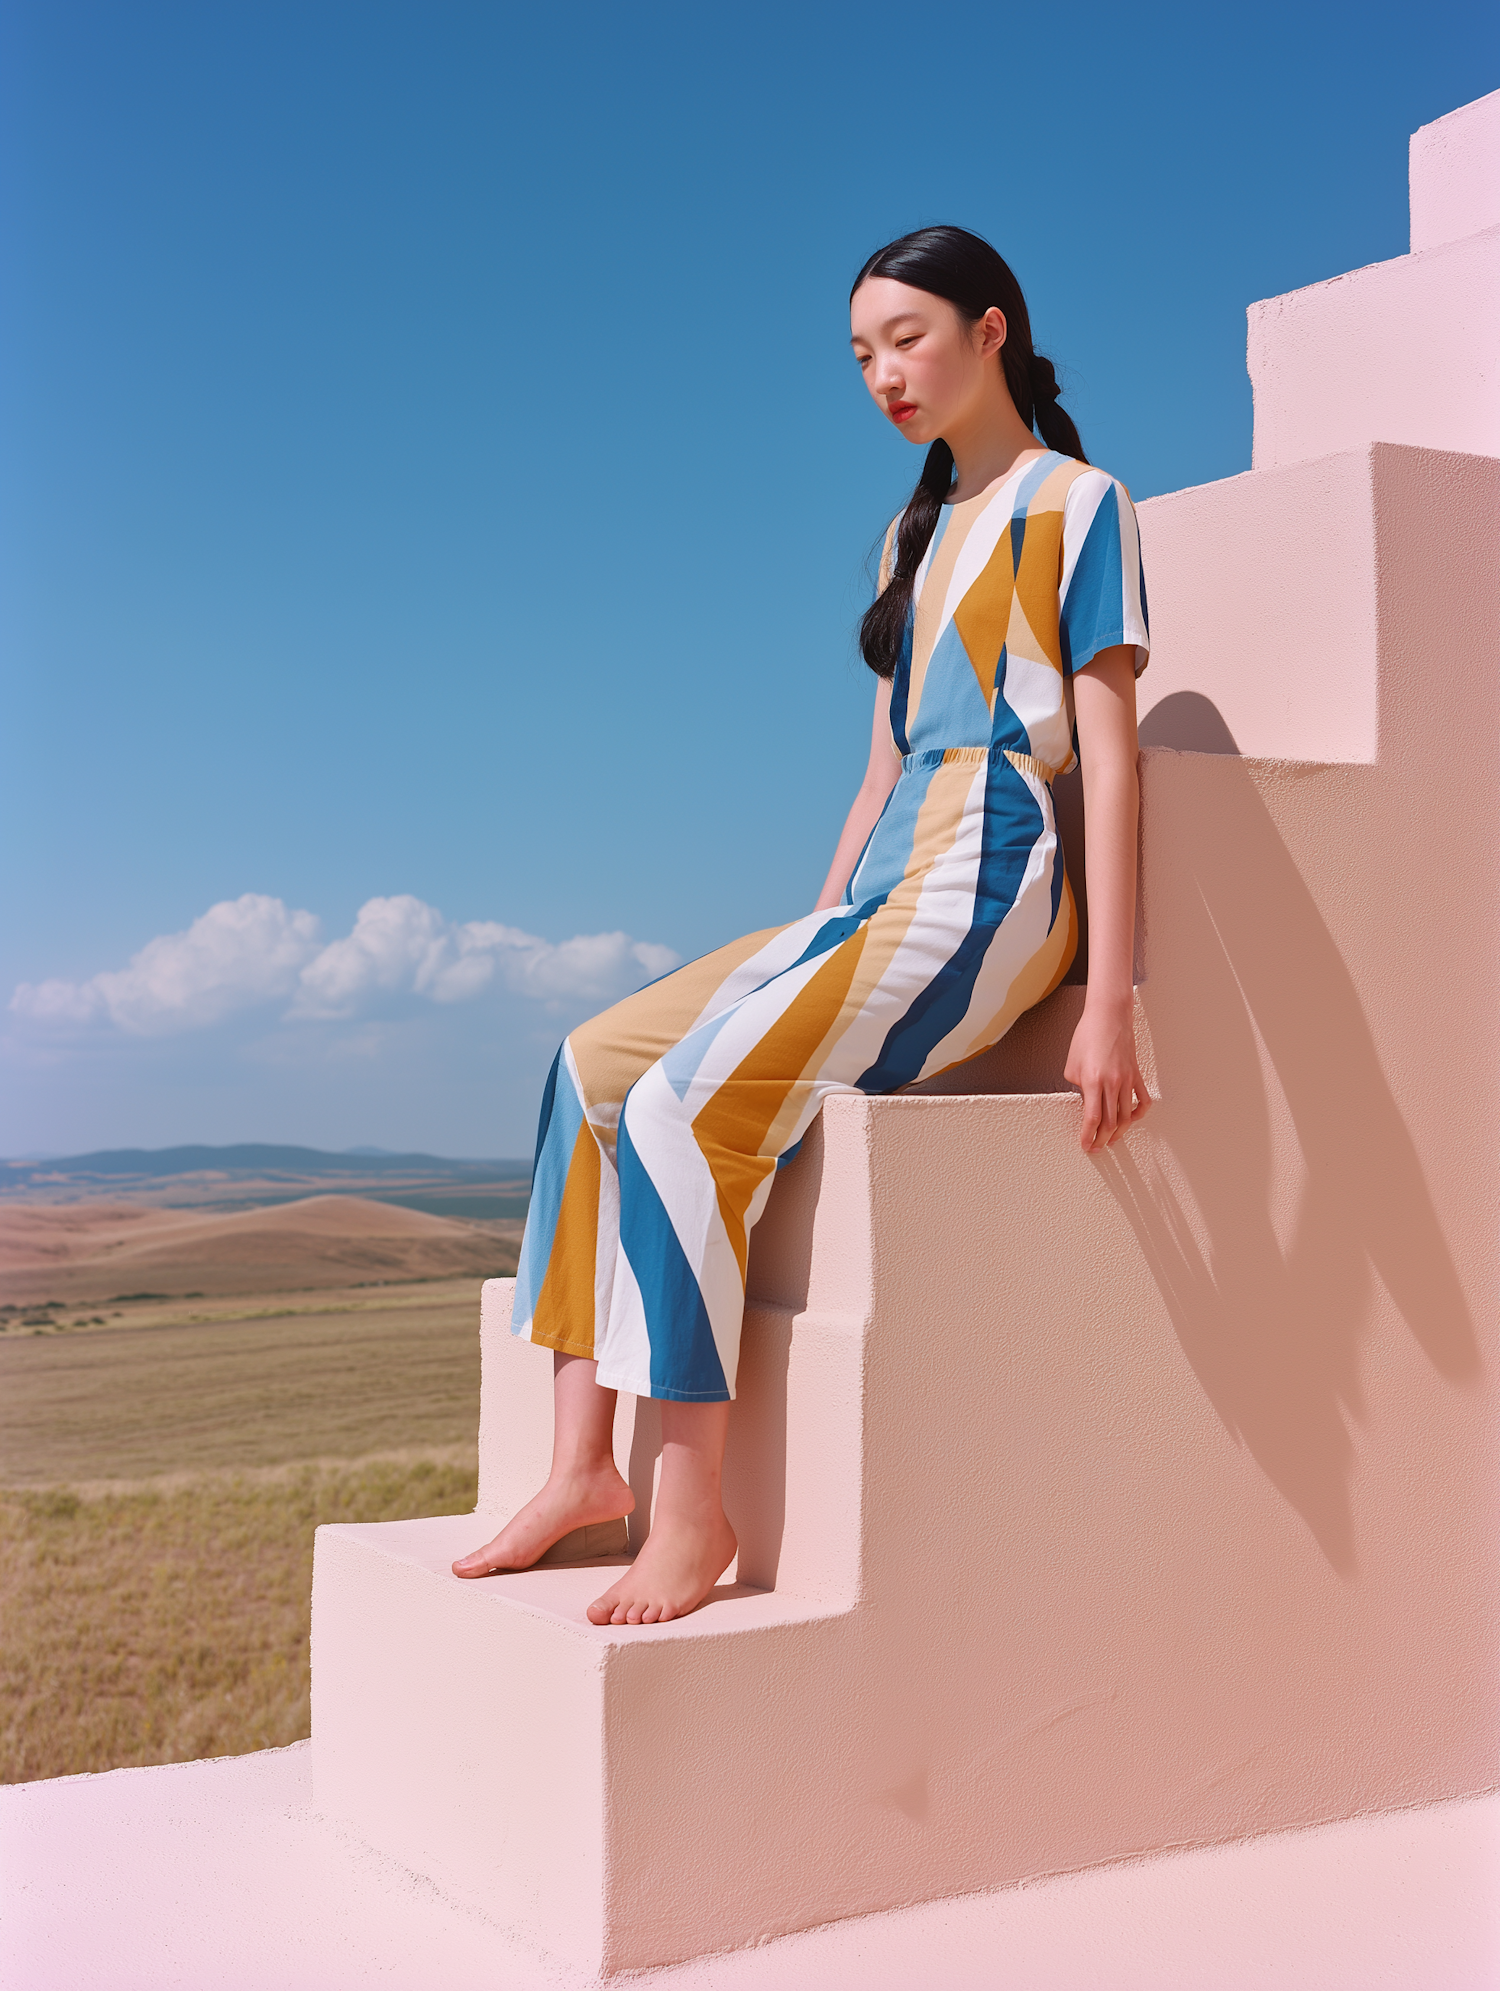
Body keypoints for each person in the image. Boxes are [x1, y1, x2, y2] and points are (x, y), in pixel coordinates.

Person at [454, 225, 1151, 1624]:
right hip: (887, 886)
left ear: (992, 329)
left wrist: (1111, 996)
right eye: (860, 356)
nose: (884, 374)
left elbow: (1111, 752)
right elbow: (880, 770)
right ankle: (583, 1464)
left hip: (992, 882)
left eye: (907, 339)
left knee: (680, 1105)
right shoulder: (917, 530)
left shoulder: (1080, 504)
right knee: (591, 1066)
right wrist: (818, 927)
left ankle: (689, 1511)